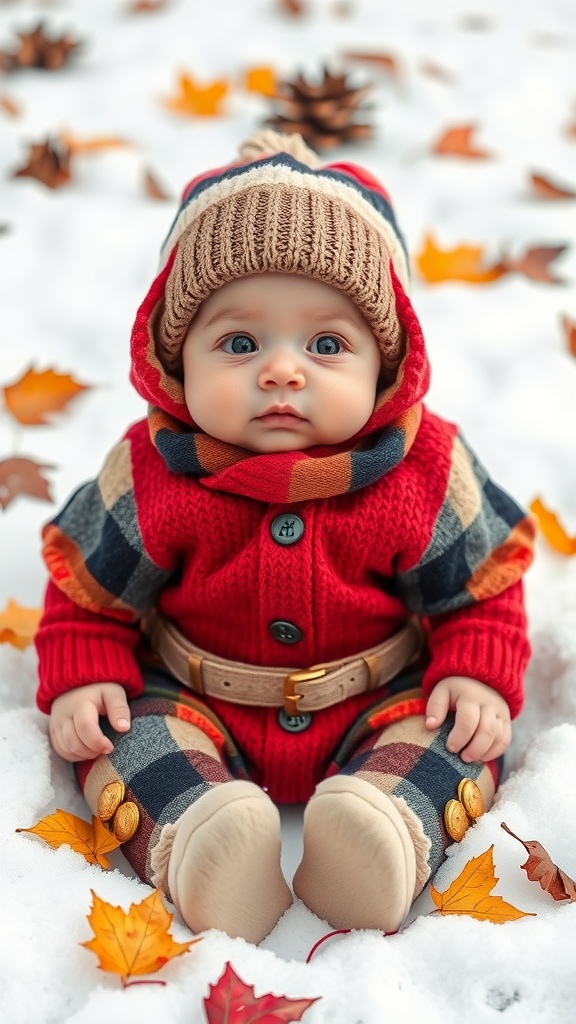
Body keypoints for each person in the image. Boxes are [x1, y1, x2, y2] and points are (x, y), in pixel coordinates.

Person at [35, 130, 535, 944]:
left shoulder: (424, 467)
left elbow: (478, 586)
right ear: (175, 360)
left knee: (460, 737)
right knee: (122, 737)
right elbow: (89, 590)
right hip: (196, 696)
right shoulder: (154, 468)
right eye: (239, 343)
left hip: (375, 698)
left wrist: (477, 669)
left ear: (386, 363)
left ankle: (378, 835)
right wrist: (84, 670)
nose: (281, 371)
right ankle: (204, 839)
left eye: (326, 344)